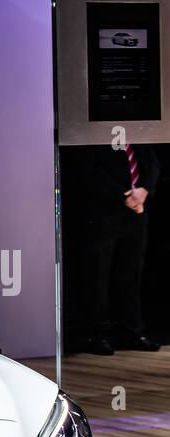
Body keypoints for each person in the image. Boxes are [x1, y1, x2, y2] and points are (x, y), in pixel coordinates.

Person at [76, 142, 161, 354]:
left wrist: (144, 191)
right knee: (98, 277)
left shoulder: (140, 134)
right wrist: (124, 197)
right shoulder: (96, 134)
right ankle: (97, 334)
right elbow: (89, 170)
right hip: (104, 214)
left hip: (136, 214)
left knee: (131, 275)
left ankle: (131, 331)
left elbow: (152, 165)